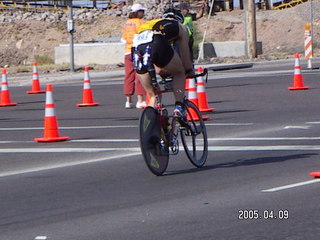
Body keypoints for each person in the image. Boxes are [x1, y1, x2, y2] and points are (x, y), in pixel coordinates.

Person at [132, 8, 194, 117]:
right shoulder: (181, 27)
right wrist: (189, 70)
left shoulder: (151, 23)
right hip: (157, 41)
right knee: (180, 72)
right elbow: (184, 52)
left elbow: (159, 69)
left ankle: (153, 123)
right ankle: (179, 107)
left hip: (137, 47)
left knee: (152, 95)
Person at [121, 3, 147, 109]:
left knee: (128, 75)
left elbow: (123, 39)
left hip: (127, 51)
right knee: (139, 75)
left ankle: (128, 101)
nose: (143, 13)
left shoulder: (127, 23)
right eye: (142, 11)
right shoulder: (140, 23)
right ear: (138, 12)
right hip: (137, 51)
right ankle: (140, 100)